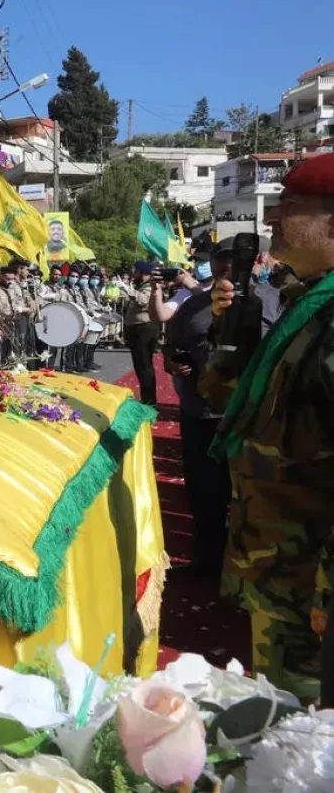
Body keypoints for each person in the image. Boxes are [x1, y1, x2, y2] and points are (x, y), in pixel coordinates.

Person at [199, 151, 334, 703]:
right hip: (279, 569)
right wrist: (231, 337)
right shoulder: (309, 307)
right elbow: (249, 411)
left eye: (291, 207)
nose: (272, 219)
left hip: (312, 582)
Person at [159, 246, 230, 579]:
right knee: (203, 491)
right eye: (221, 258)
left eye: (237, 258)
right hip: (201, 411)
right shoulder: (194, 306)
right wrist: (174, 362)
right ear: (212, 264)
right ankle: (207, 562)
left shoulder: (274, 300)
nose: (228, 265)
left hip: (251, 416)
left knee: (249, 496)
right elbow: (171, 350)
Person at [124, 261, 160, 406]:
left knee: (144, 366)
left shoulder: (150, 286)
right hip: (137, 330)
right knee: (140, 366)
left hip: (144, 329)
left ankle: (149, 401)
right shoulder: (141, 286)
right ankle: (147, 398)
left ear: (142, 273)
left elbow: (143, 300)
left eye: (136, 271)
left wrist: (127, 289)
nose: (134, 274)